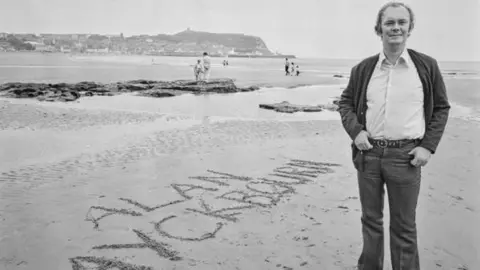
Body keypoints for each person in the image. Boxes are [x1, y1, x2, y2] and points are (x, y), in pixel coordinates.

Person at [337, 2, 450, 270]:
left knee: (404, 227)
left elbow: (442, 108)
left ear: (410, 28)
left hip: (407, 157)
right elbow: (345, 103)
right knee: (371, 222)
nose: (396, 27)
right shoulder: (364, 69)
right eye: (389, 23)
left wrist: (428, 147)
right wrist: (356, 131)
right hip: (369, 155)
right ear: (380, 28)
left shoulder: (426, 66)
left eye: (401, 22)